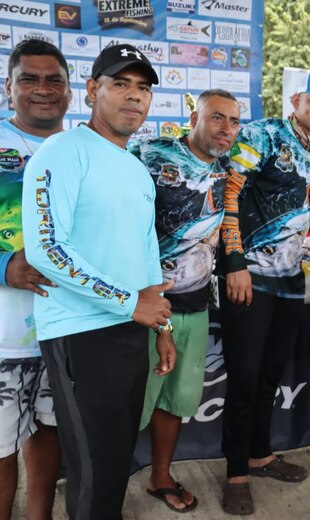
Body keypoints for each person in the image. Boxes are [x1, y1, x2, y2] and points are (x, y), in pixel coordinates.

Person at [21, 45, 174, 519]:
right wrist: (129, 303)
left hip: (131, 326)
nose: (135, 97)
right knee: (93, 470)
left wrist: (161, 327)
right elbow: (48, 250)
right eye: (121, 84)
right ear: (92, 90)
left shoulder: (135, 165)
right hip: (79, 332)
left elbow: (147, 248)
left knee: (115, 463)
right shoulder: (61, 151)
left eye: (143, 87)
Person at [217, 69, 310, 515]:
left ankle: (260, 453)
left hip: (290, 280)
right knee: (245, 378)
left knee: (270, 374)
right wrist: (232, 263)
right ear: (296, 99)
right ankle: (235, 473)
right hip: (249, 276)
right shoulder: (263, 134)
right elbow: (227, 193)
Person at [130, 89, 241, 512]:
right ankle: (104, 490)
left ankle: (160, 478)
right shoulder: (150, 152)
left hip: (194, 307)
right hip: (142, 308)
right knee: (128, 404)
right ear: (193, 116)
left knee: (174, 401)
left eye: (233, 122)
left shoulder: (227, 170)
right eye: (216, 118)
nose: (225, 129)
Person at [0, 39, 68, 520]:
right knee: (0, 448)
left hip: (67, 331)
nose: (42, 89)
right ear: (9, 88)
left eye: (54, 80)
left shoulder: (85, 150)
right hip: (4, 338)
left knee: (51, 430)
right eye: (29, 78)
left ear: (70, 91)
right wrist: (3, 267)